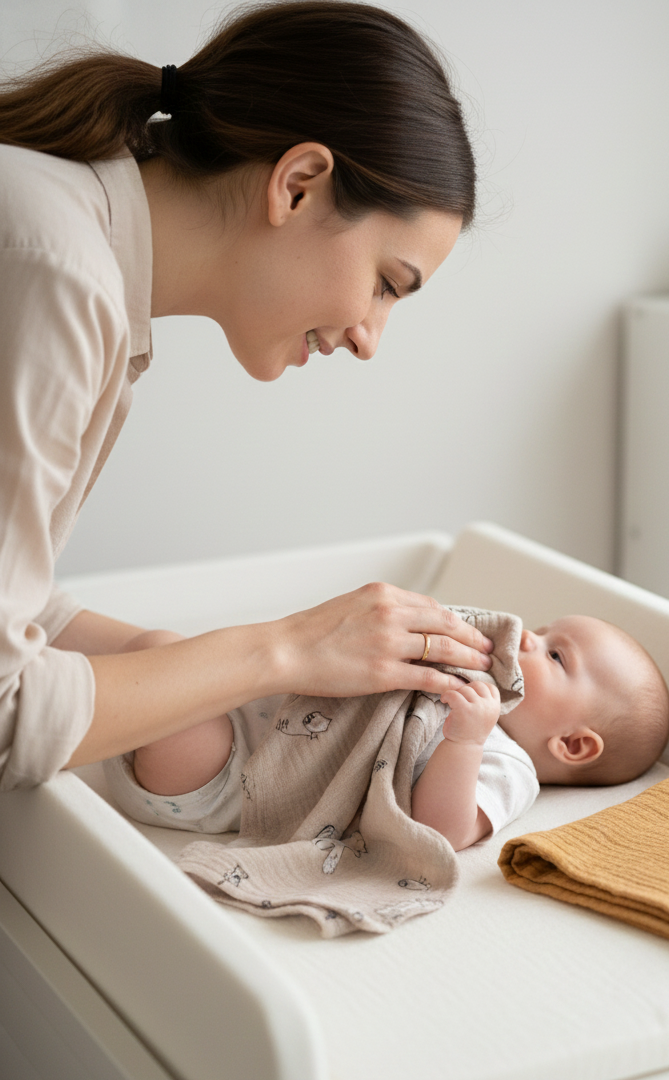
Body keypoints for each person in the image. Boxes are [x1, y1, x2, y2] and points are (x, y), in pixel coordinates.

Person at [0, 2, 495, 791]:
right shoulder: (56, 272)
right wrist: (284, 649)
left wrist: (167, 665)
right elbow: (5, 714)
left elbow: (14, 616)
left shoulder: (64, 237)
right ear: (298, 184)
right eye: (386, 284)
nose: (371, 337)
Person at [106, 611, 669, 851]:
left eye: (555, 655)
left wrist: (466, 739)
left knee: (158, 657)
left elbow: (441, 831)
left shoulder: (508, 765)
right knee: (160, 650)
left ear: (572, 745)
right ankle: (51, 676)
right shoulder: (468, 681)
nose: (526, 638)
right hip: (246, 726)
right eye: (542, 628)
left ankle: (56, 698)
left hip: (225, 784)